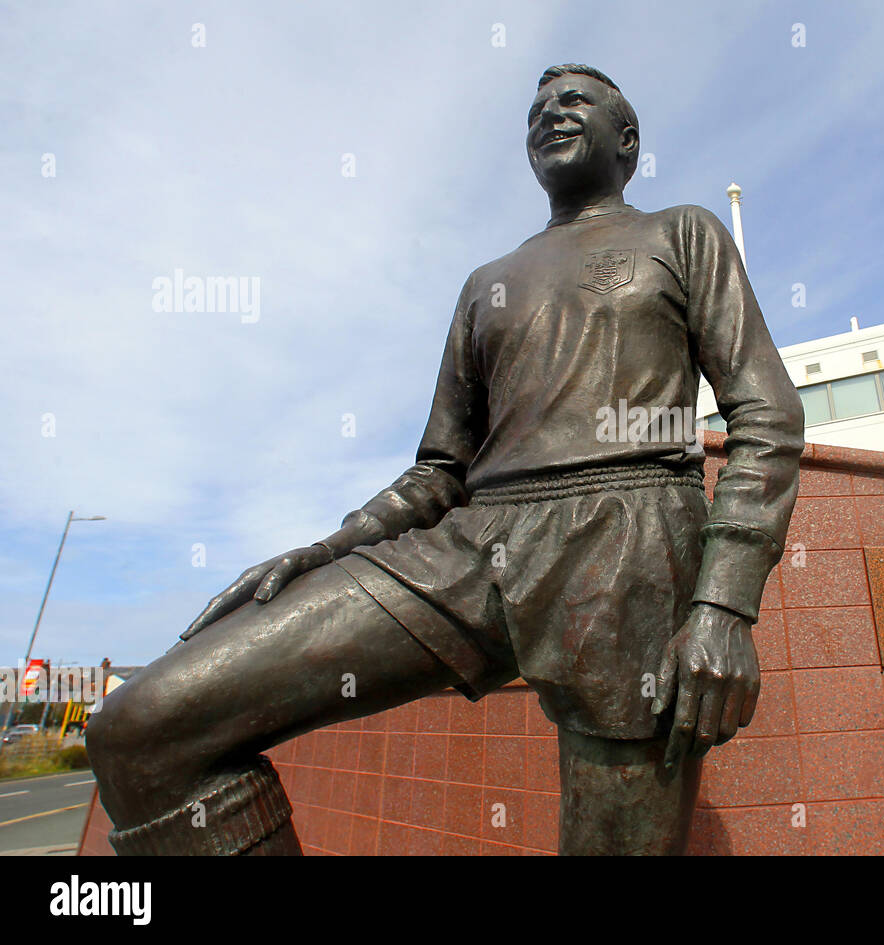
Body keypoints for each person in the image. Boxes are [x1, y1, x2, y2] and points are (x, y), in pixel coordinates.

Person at [87, 63, 803, 856]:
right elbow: (439, 468)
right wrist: (334, 547)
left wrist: (723, 606)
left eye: (574, 101)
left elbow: (767, 415)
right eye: (536, 107)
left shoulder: (682, 232)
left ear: (627, 140)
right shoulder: (487, 283)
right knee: (142, 728)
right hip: (472, 541)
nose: (549, 114)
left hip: (628, 537)